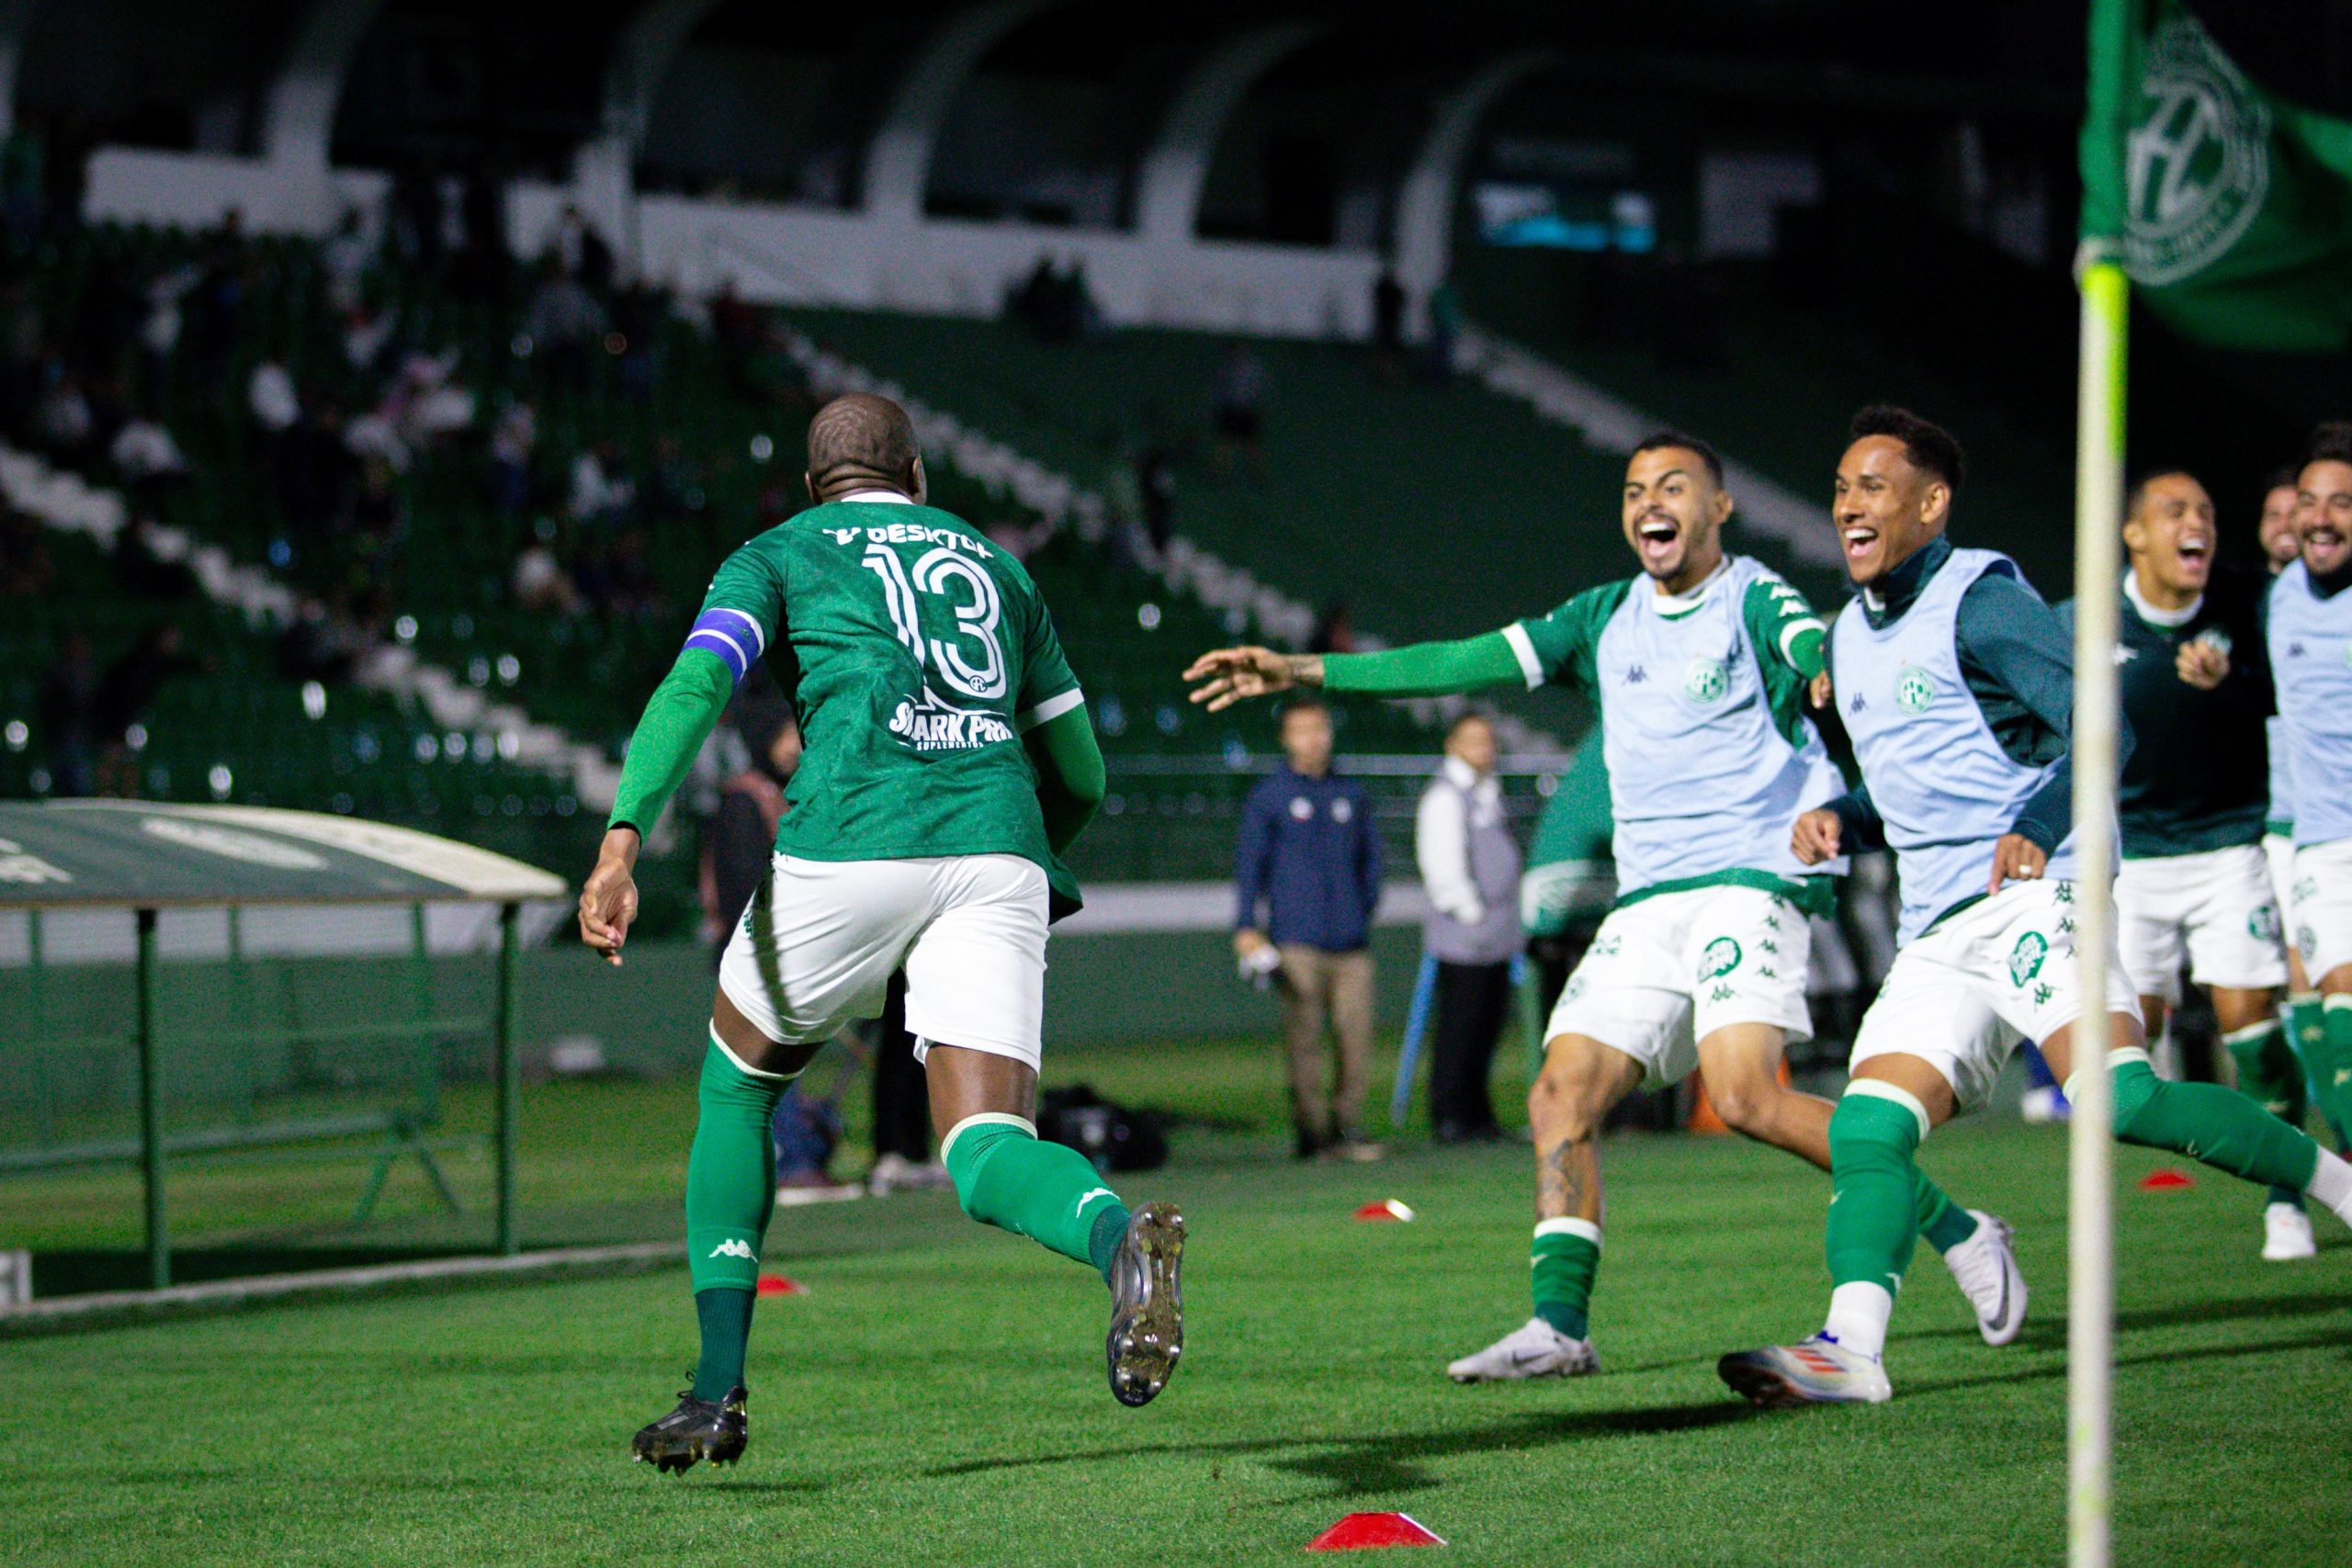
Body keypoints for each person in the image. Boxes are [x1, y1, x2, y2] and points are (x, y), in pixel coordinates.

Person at [1188, 430, 2021, 1383]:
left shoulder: (1750, 596)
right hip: (1646, 902)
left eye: (1672, 487)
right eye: (1632, 491)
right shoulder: (1600, 616)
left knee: (1745, 1096)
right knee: (1559, 1094)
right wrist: (1306, 671)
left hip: (1746, 886)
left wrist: (1823, 676)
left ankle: (1957, 1230)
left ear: (1718, 508)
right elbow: (1464, 658)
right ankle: (1558, 1327)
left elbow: (1806, 642)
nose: (1648, 504)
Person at [579, 393, 1186, 1472]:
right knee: (982, 1148)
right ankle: (1112, 1239)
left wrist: (623, 842)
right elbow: (1082, 771)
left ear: (819, 485)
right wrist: (1017, 852)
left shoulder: (776, 552)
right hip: (997, 845)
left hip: (852, 835)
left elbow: (694, 688)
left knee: (737, 1084)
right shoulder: (998, 567)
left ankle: (717, 1392)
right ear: (915, 474)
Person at [1720, 407, 2352, 1407]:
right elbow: (1917, 787)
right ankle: (1852, 1347)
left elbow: (2101, 722)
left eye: (1873, 486)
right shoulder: (1849, 631)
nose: (1849, 503)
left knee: (2120, 1100)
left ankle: (2338, 1188)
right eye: (1841, 486)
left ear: (1930, 505)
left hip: (2036, 890)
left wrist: (2043, 820)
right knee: (1866, 1131)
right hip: (1938, 925)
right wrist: (1842, 814)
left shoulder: (1983, 597)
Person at [2056, 471, 2303, 1258]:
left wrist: (2234, 681)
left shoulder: (2245, 607)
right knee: (2129, 1061)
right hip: (2129, 860)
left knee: (2251, 1028)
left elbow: (2289, 694)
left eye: (2205, 510)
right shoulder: (2083, 621)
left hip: (2229, 843)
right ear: (2134, 535)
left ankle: (2288, 1193)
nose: (2196, 523)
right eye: (2175, 512)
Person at [1233, 696, 1385, 1162]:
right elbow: (1249, 865)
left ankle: (1347, 1127)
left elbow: (1371, 864)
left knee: (1355, 1040)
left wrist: (1361, 911)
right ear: (1286, 738)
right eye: (1302, 730)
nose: (1314, 738)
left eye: (1320, 728)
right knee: (1303, 1043)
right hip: (1296, 943)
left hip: (1351, 945)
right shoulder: (1270, 796)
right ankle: (1314, 1135)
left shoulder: (1352, 795)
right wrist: (1245, 925)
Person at [2256, 466, 2343, 1156]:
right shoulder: (2272, 599)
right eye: (2295, 507)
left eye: (2335, 502)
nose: (2308, 520)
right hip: (2304, 830)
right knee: (2322, 988)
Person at [1415, 711, 1521, 1143]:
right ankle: (1451, 1116)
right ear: (1452, 744)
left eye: (1488, 740)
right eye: (1474, 740)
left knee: (1485, 1028)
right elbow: (1443, 866)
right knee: (1460, 1028)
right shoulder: (1445, 796)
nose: (1485, 749)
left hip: (1497, 935)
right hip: (1467, 938)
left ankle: (1478, 1115)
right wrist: (1471, 913)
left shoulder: (1487, 792)